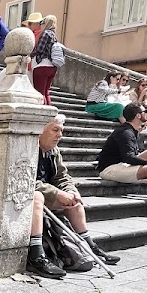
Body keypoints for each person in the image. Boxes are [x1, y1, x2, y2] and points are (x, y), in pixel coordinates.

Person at [29, 115, 120, 277]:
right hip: (28, 197)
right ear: (39, 131)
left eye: (61, 131)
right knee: (37, 197)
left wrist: (70, 191)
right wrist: (57, 193)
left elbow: (63, 177)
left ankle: (89, 246)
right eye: (55, 130)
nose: (60, 135)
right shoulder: (27, 148)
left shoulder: (53, 151)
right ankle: (36, 255)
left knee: (75, 202)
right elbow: (26, 181)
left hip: (46, 196)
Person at [31, 15, 60, 106]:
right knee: (46, 91)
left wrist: (30, 55)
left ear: (46, 23)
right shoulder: (54, 35)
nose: (41, 25)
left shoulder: (46, 33)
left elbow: (40, 49)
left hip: (42, 66)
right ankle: (48, 113)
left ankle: (41, 112)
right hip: (52, 67)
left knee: (39, 93)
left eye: (42, 23)